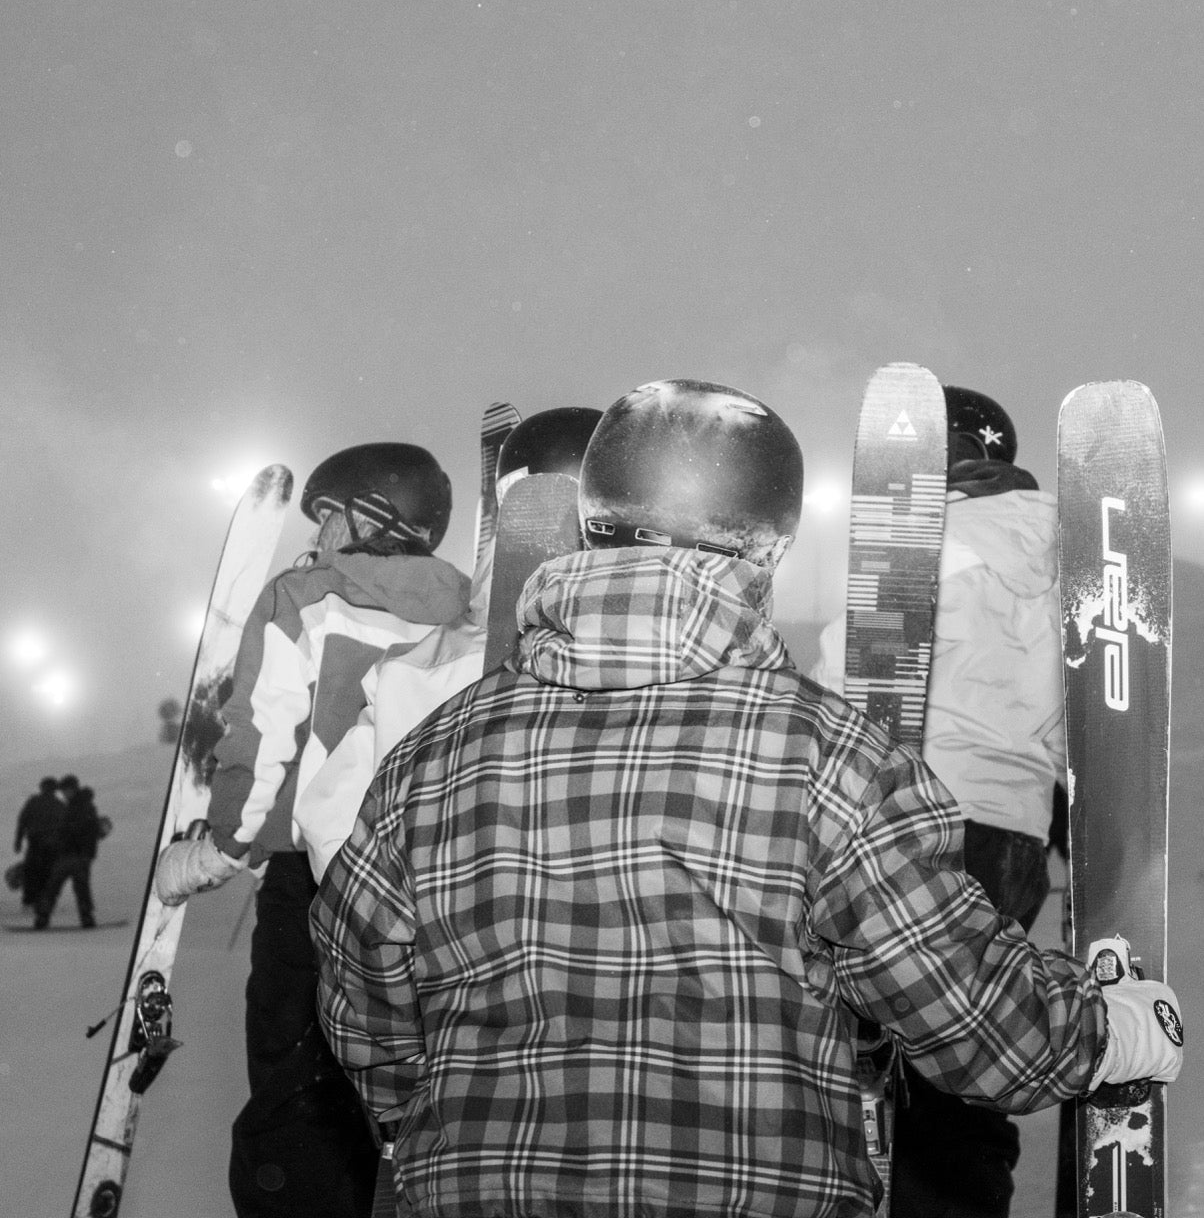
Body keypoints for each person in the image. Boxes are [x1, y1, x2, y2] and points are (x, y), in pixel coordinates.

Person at [310, 379, 1182, 1218]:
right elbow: (971, 1019)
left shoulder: (435, 751)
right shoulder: (831, 757)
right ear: (766, 549)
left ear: (591, 522)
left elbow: (362, 991)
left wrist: (431, 1117)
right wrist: (1110, 1030)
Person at [154, 442, 472, 1218]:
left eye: (329, 514)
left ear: (372, 518)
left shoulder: (306, 597)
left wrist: (222, 847)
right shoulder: (469, 611)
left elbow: (259, 730)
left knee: (299, 1084)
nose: (319, 531)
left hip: (321, 882)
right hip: (435, 881)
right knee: (399, 1083)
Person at [812, 383, 1066, 1217]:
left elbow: (847, 674)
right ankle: (965, 1194)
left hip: (911, 813)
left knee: (883, 1037)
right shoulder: (1064, 550)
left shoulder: (923, 544)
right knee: (970, 1035)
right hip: (1015, 829)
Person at [294, 407, 603, 884]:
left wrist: (395, 910)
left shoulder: (417, 671)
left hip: (446, 911)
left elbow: (333, 823)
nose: (317, 536)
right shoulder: (671, 655)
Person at [35, 778, 104, 928]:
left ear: (73, 789)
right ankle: (85, 918)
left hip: (75, 855)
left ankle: (43, 918)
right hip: (73, 855)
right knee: (73, 888)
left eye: (65, 790)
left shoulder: (82, 807)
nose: (63, 794)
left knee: (59, 887)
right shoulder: (75, 806)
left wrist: (63, 841)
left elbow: (82, 831)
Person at [13, 775, 66, 909]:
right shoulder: (59, 805)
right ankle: (42, 900)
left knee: (32, 871)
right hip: (51, 845)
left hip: (37, 843)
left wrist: (18, 841)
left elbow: (22, 822)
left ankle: (30, 901)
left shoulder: (33, 802)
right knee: (46, 873)